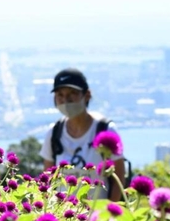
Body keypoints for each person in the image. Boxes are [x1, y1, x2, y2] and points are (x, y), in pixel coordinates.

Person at [41, 68, 126, 201]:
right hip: (62, 212)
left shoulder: (105, 130)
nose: (65, 100)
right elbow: (48, 178)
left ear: (87, 95)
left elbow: (119, 179)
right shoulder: (53, 133)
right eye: (60, 95)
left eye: (72, 93)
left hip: (98, 212)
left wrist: (109, 210)